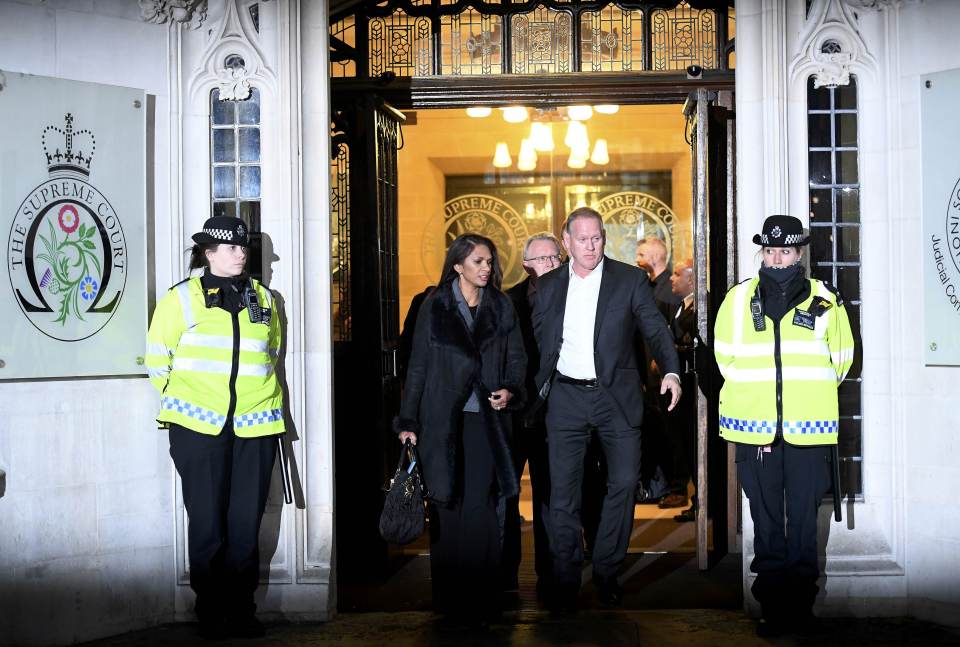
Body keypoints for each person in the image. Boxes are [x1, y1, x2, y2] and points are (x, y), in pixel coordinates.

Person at [532, 208, 682, 611]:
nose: (590, 245)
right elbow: (536, 343)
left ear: (604, 237)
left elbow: (655, 327)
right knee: (562, 495)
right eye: (582, 239)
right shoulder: (546, 287)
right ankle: (565, 579)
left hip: (615, 398)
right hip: (565, 398)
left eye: (596, 237)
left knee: (622, 484)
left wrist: (671, 371)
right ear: (566, 242)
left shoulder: (628, 280)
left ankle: (606, 571)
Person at [714, 215, 854, 637]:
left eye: (786, 252)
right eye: (770, 251)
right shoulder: (738, 300)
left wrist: (803, 395)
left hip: (809, 430)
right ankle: (773, 608)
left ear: (799, 255)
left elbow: (842, 359)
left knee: (804, 523)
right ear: (762, 252)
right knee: (767, 521)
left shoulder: (825, 299)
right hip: (755, 430)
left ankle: (801, 609)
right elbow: (724, 358)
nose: (776, 259)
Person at [145, 216, 283, 640]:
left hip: (255, 424)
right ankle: (211, 612)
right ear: (208, 253)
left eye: (245, 248)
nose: (242, 253)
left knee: (245, 523)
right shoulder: (181, 299)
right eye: (231, 248)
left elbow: (271, 351)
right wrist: (190, 404)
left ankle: (242, 610)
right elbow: (157, 358)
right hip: (198, 426)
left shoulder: (263, 297)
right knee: (207, 522)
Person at [394, 234, 526, 624]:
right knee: (445, 503)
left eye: (489, 262)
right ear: (458, 266)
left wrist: (511, 390)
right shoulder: (435, 305)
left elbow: (518, 358)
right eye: (479, 262)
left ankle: (483, 596)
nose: (487, 269)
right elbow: (416, 366)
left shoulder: (501, 306)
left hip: (487, 421)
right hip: (440, 422)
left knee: (481, 505)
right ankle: (450, 597)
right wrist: (409, 422)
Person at [502, 233, 561, 595]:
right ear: (527, 265)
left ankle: (551, 575)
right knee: (508, 496)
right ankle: (506, 576)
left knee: (551, 498)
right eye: (543, 259)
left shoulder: (575, 297)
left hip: (557, 414)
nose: (551, 264)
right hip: (514, 413)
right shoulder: (507, 302)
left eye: (556, 257)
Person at [660, 260, 699, 520]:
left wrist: (673, 351)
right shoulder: (680, 306)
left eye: (677, 274)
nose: (672, 278)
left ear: (692, 279)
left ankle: (702, 500)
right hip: (679, 388)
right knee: (681, 443)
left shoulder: (698, 307)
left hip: (692, 387)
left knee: (693, 443)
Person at [636, 236, 682, 320]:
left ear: (656, 257)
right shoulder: (645, 284)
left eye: (641, 255)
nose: (637, 260)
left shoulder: (672, 287)